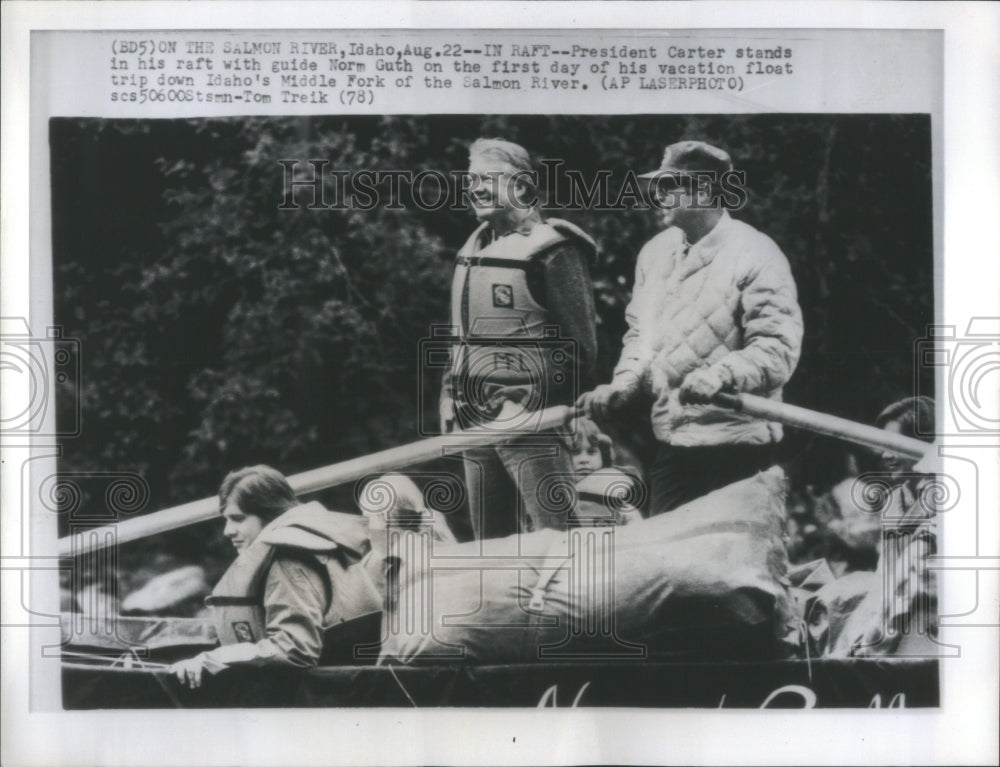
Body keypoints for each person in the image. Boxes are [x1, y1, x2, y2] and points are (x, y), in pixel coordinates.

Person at [578, 140, 803, 515]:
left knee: (733, 567)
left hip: (739, 446)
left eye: (670, 186)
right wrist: (624, 384)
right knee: (661, 559)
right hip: (675, 440)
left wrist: (720, 375)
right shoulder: (655, 252)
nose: (659, 196)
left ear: (703, 190)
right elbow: (640, 337)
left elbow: (777, 351)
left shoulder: (756, 253)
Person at [440, 138, 598, 541]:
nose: (474, 187)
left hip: (531, 423)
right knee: (490, 550)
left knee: (558, 543)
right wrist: (448, 393)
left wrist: (531, 402)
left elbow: (580, 350)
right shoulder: (473, 247)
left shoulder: (555, 249)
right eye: (470, 179)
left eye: (487, 178)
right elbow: (461, 336)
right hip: (473, 419)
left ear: (523, 187)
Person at [170, 466, 384, 689]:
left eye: (237, 519)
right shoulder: (320, 542)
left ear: (269, 513)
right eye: (226, 520)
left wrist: (212, 658)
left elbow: (295, 649)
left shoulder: (288, 557)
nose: (227, 530)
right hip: (358, 685)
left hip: (328, 697)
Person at [851, 395, 938, 656]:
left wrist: (871, 644)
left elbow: (911, 578)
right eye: (883, 446)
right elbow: (885, 578)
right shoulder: (894, 501)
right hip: (892, 620)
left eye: (894, 446)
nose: (886, 455)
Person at [569, 416, 643, 526]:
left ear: (602, 455)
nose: (584, 460)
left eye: (591, 452)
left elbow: (636, 526)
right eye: (574, 452)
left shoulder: (614, 500)